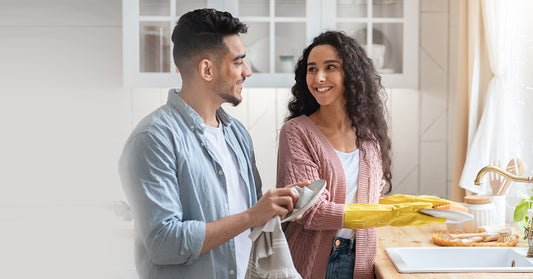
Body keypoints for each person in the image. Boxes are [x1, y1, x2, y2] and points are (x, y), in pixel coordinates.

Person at [119, 9, 302, 279]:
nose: (248, 72)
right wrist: (251, 216)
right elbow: (163, 242)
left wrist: (280, 205)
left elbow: (253, 223)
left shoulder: (237, 133)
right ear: (206, 69)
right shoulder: (154, 138)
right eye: (238, 62)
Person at [276, 31, 449, 279]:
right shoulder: (296, 133)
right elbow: (311, 212)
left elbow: (368, 200)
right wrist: (392, 215)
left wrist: (417, 206)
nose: (319, 77)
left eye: (330, 67)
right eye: (312, 69)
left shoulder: (368, 135)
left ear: (352, 74)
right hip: (314, 262)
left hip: (362, 259)